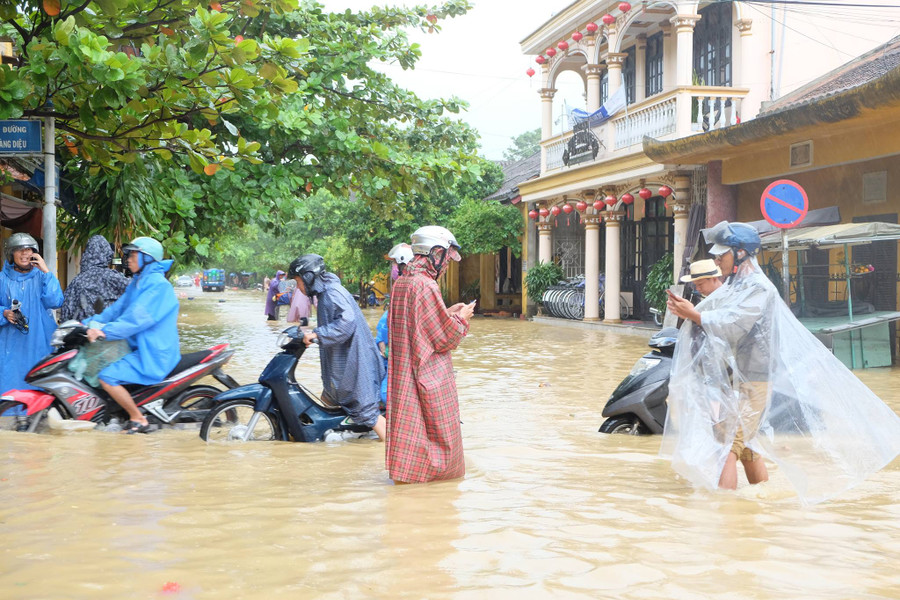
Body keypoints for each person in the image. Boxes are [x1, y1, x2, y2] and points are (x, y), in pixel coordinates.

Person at [662, 221, 900, 503]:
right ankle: (762, 503)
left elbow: (733, 324)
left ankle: (724, 511)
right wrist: (690, 312)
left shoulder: (759, 288)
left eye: (721, 255)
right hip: (739, 378)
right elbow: (717, 315)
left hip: (756, 380)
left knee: (727, 447)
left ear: (740, 253)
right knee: (746, 447)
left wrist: (695, 315)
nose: (717, 261)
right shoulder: (737, 286)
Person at [385, 226, 475, 484]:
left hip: (405, 370)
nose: (446, 264)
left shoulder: (403, 283)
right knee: (438, 434)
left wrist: (447, 312)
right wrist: (461, 318)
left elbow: (421, 323)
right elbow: (443, 336)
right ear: (435, 253)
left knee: (411, 429)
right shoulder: (426, 285)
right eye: (446, 257)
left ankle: (407, 479)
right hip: (426, 370)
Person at [83, 236, 180, 434]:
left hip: (153, 353)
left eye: (133, 255)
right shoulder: (138, 283)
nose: (128, 259)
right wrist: (86, 323)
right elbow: (116, 310)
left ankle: (138, 418)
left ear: (147, 258)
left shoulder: (158, 286)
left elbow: (135, 320)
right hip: (138, 347)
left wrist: (104, 331)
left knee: (107, 377)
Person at [288, 254, 386, 440]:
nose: (298, 287)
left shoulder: (332, 293)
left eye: (298, 281)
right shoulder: (324, 292)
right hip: (345, 364)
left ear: (308, 277)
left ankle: (392, 451)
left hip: (357, 364)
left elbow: (347, 322)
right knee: (327, 400)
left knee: (367, 414)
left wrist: (318, 334)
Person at [0, 233, 64, 420]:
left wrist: (46, 271)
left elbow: (55, 301)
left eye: (29, 249)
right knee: (10, 382)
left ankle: (37, 415)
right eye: (20, 250)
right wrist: (4, 313)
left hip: (39, 341)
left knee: (37, 379)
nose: (25, 254)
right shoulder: (2, 279)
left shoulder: (42, 276)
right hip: (10, 345)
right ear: (11, 254)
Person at [375, 243, 414, 406]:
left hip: (398, 360)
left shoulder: (411, 288)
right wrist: (381, 342)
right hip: (389, 359)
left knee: (385, 395)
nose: (393, 267)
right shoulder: (400, 289)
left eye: (394, 263)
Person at [59, 234, 129, 323]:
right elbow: (135, 294)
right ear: (107, 254)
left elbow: (65, 313)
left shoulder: (76, 282)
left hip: (82, 329)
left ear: (86, 254)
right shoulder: (114, 278)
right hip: (109, 329)